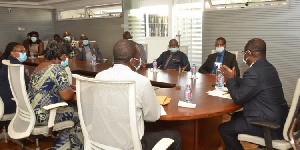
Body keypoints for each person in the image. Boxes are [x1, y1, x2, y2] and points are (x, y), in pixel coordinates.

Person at [95, 40, 181, 150]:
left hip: (102, 142)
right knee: (175, 136)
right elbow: (153, 116)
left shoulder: (99, 77)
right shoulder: (141, 81)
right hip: (129, 146)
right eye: (138, 57)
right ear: (133, 61)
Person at [218, 38, 289, 149]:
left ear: (248, 53)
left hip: (269, 126)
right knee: (236, 116)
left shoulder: (253, 72)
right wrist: (235, 78)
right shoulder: (269, 67)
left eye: (244, 53)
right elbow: (252, 85)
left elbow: (238, 97)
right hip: (279, 119)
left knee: (224, 129)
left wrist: (230, 79)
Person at [27, 42, 83, 149]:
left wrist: (67, 86)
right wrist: (71, 90)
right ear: (61, 55)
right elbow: (67, 96)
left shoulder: (39, 66)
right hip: (44, 115)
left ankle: (63, 144)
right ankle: (71, 146)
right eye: (66, 56)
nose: (66, 59)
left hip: (31, 112)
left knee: (70, 110)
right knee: (81, 114)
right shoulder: (57, 68)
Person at [0, 42, 29, 114]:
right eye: (21, 51)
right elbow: (27, 85)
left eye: (24, 51)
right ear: (12, 53)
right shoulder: (16, 66)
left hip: (3, 102)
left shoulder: (8, 62)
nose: (24, 53)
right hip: (11, 104)